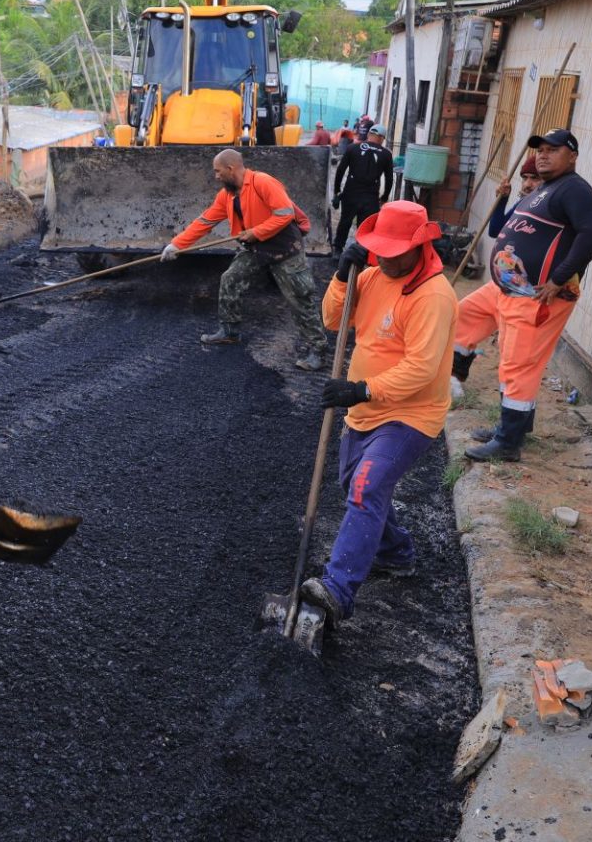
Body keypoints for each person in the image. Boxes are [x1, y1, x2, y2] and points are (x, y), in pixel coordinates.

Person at [299, 200, 459, 626]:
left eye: (394, 251)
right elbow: (333, 321)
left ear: (419, 246)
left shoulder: (432, 296)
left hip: (410, 414)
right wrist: (340, 277)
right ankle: (395, 553)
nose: (385, 258)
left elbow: (422, 368)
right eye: (379, 249)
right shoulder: (370, 276)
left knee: (367, 486)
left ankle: (337, 590)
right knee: (354, 484)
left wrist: (360, 389)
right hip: (366, 410)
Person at [452, 129, 592, 461]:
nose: (543, 155)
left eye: (553, 150)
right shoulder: (544, 188)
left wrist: (558, 278)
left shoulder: (574, 190)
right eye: (540, 150)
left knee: (518, 364)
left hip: (536, 296)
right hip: (506, 288)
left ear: (572, 156)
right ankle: (466, 383)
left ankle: (508, 442)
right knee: (466, 314)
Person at [160, 148, 326, 369]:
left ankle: (317, 349)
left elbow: (285, 213)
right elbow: (205, 221)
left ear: (231, 168)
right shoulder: (227, 195)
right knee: (231, 278)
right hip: (256, 248)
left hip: (285, 248)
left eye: (218, 171)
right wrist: (177, 245)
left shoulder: (263, 182)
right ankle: (229, 331)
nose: (216, 176)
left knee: (299, 297)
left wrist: (256, 232)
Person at [331, 124, 395, 252]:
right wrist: (384, 197)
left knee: (345, 221)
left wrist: (337, 191)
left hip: (350, 193)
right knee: (365, 226)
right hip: (370, 197)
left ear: (369, 134)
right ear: (381, 138)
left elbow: (340, 170)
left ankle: (338, 249)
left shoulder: (352, 148)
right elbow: (389, 179)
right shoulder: (386, 154)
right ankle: (361, 253)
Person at [485, 156, 543, 239]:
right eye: (524, 178)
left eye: (535, 178)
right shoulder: (522, 203)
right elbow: (495, 231)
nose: (527, 184)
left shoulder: (545, 208)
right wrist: (502, 199)